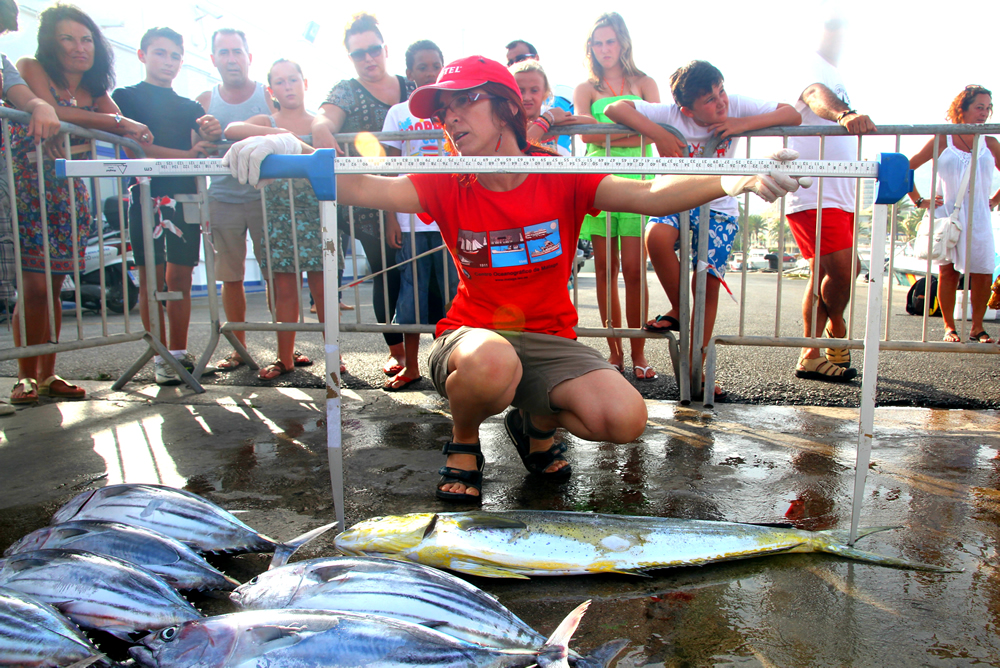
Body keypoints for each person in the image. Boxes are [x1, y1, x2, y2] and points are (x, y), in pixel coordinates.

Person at [223, 55, 805, 503]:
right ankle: (467, 441)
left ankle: (536, 421)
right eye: (441, 108)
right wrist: (294, 150)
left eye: (463, 102)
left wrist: (733, 179)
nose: (448, 117)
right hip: (471, 340)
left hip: (551, 342)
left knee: (625, 419)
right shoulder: (445, 174)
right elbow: (366, 185)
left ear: (505, 106)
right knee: (494, 363)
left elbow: (650, 194)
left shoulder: (561, 171)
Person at [604, 60, 802, 400]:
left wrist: (742, 123)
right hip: (675, 199)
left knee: (706, 282)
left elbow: (792, 114)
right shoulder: (669, 113)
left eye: (720, 91)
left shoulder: (734, 105)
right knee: (656, 237)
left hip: (720, 205)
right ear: (687, 110)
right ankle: (681, 310)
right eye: (709, 100)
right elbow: (614, 107)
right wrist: (658, 132)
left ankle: (697, 368)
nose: (720, 101)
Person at [9, 3, 153, 405]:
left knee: (55, 284)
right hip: (27, 185)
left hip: (70, 193)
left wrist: (104, 121)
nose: (79, 47)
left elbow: (126, 126)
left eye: (87, 39)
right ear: (51, 45)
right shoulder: (30, 67)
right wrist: (106, 122)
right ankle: (24, 375)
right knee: (33, 285)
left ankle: (48, 373)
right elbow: (62, 114)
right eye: (68, 38)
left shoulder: (96, 89)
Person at [112, 27, 222, 386]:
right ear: (142, 55)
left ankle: (178, 353)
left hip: (185, 199)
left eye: (175, 55)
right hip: (143, 197)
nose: (168, 62)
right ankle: (158, 354)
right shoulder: (124, 98)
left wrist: (211, 129)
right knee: (150, 280)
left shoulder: (191, 106)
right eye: (160, 53)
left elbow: (206, 148)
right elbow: (135, 149)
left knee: (181, 278)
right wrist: (187, 155)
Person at [311, 12, 414, 378]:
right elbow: (323, 118)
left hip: (417, 199)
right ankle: (398, 352)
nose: (368, 58)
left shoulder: (412, 87)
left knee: (422, 276)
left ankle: (429, 350)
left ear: (385, 49)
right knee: (385, 273)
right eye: (359, 53)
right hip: (371, 202)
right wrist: (321, 129)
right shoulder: (345, 90)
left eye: (373, 49)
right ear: (350, 57)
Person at [224, 59, 327, 381]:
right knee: (284, 289)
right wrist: (279, 133)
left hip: (315, 211)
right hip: (279, 215)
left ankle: (335, 358)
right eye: (280, 82)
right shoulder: (266, 119)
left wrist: (301, 141)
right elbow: (232, 130)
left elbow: (333, 157)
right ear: (271, 90)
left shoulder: (318, 121)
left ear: (305, 83)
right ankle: (285, 359)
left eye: (293, 79)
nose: (288, 86)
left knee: (322, 290)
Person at [785, 16, 875, 382]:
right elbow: (813, 94)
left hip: (840, 194)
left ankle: (814, 350)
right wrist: (845, 114)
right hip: (816, 193)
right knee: (838, 272)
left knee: (837, 271)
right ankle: (830, 334)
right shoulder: (812, 65)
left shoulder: (836, 71)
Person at [573, 12, 660, 381]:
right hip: (601, 181)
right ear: (590, 47)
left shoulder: (645, 82)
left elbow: (656, 131)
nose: (604, 49)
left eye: (610, 41)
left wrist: (619, 135)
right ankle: (614, 351)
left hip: (639, 183)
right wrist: (634, 132)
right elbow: (587, 137)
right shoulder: (585, 88)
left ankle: (639, 351)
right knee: (606, 270)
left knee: (636, 272)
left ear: (623, 42)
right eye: (597, 42)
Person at [196, 28, 279, 372]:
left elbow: (288, 125)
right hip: (223, 197)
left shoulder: (266, 93)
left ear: (249, 56)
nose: (231, 58)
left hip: (267, 195)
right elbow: (196, 151)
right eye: (224, 52)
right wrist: (205, 134)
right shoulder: (204, 100)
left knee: (279, 274)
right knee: (231, 276)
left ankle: (285, 348)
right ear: (213, 59)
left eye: (237, 51)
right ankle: (238, 349)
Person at [379, 40, 457, 392]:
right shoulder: (398, 113)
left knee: (455, 295)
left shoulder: (453, 110)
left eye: (436, 65)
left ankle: (453, 365)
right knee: (411, 296)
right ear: (409, 73)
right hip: (412, 220)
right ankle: (410, 365)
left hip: (450, 219)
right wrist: (391, 217)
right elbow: (389, 168)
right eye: (422, 66)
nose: (429, 71)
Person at [0, 0, 61, 413]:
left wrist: (40, 105)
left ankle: (40, 374)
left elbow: (22, 96)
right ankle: (26, 374)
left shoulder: (3, 63)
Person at [907, 86, 1000, 343]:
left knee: (983, 272)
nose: (984, 113)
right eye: (979, 107)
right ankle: (949, 327)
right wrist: (918, 200)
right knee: (948, 273)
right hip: (946, 215)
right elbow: (907, 167)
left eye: (987, 108)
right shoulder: (942, 139)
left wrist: (994, 200)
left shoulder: (990, 142)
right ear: (963, 108)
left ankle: (977, 327)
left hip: (979, 217)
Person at [510, 59, 589, 156]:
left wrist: (554, 118)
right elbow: (522, 148)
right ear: (511, 93)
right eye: (521, 91)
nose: (527, 97)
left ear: (545, 92)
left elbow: (590, 121)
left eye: (534, 90)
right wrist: (545, 121)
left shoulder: (551, 120)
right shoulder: (505, 125)